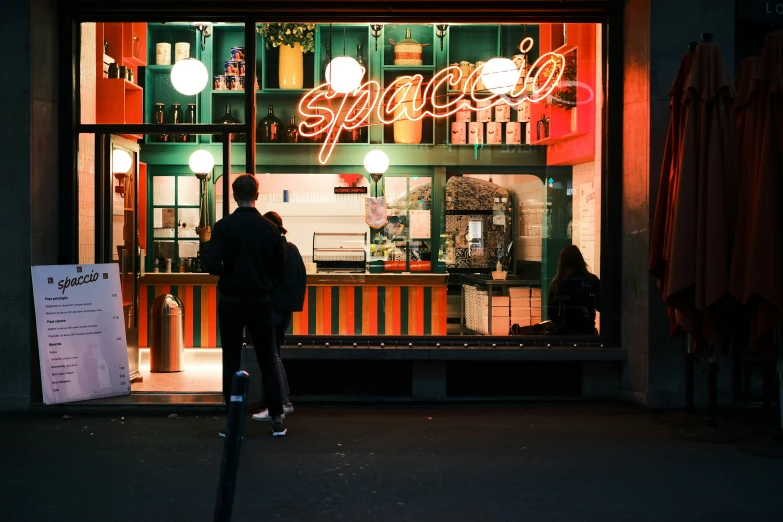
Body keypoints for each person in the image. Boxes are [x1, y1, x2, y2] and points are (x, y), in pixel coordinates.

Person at [204, 174, 287, 437]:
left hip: (230, 300)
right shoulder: (270, 228)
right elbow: (280, 269)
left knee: (231, 358)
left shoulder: (224, 226)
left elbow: (211, 266)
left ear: (233, 195)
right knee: (268, 357)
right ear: (257, 195)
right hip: (260, 301)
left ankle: (234, 423)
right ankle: (276, 418)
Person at [252, 211, 306, 422]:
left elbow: (266, 278)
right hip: (287, 309)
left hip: (272, 307)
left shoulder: (272, 250)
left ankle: (279, 403)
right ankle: (285, 401)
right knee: (274, 354)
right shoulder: (293, 248)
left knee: (269, 355)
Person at [547, 245, 600, 335]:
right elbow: (600, 305)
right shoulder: (591, 280)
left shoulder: (557, 283)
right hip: (587, 330)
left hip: (565, 332)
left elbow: (552, 313)